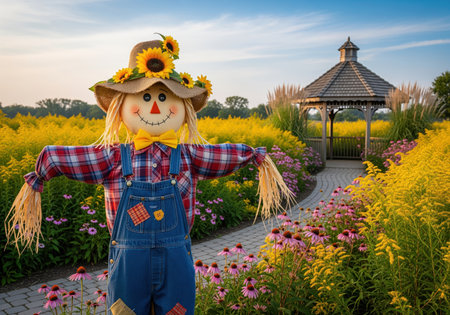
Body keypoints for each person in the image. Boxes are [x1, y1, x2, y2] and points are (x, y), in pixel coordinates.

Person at [5, 34, 292, 315]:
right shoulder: (113, 157)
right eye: (144, 96)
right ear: (120, 106)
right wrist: (40, 173)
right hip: (129, 267)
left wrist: (254, 156)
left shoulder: (189, 156)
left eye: (164, 96)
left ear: (184, 108)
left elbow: (225, 154)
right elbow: (62, 157)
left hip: (176, 264)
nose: (155, 106)